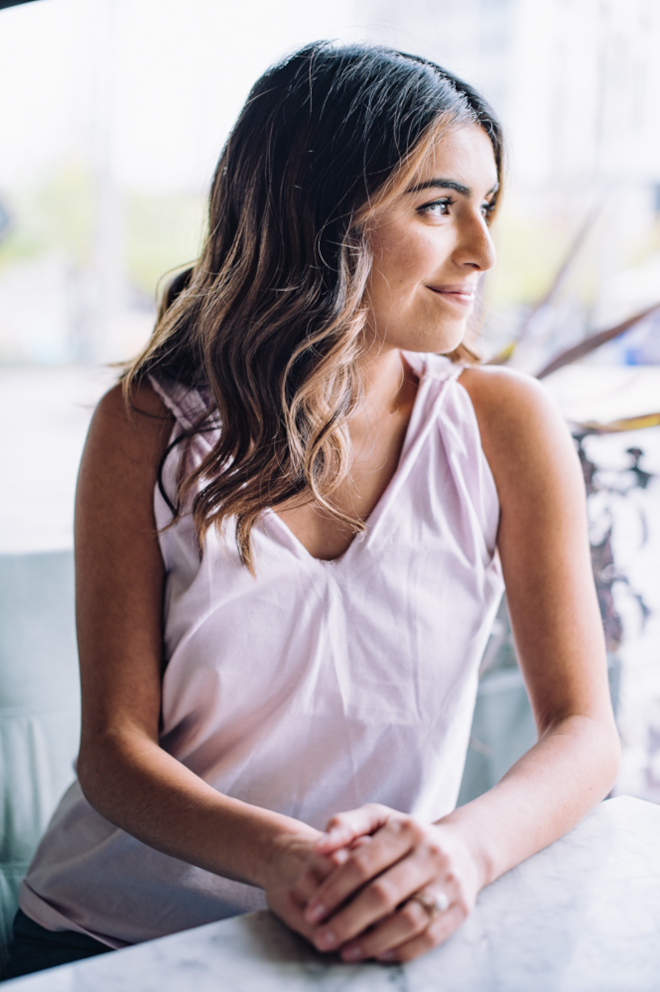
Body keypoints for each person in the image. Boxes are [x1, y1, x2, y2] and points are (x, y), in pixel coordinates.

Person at [8, 42, 620, 977]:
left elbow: (585, 732)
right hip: (108, 931)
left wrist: (463, 851)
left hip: (361, 932)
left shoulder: (508, 427)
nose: (483, 251)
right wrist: (281, 857)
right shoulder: (145, 425)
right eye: (438, 206)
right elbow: (114, 750)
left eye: (486, 207)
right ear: (318, 215)